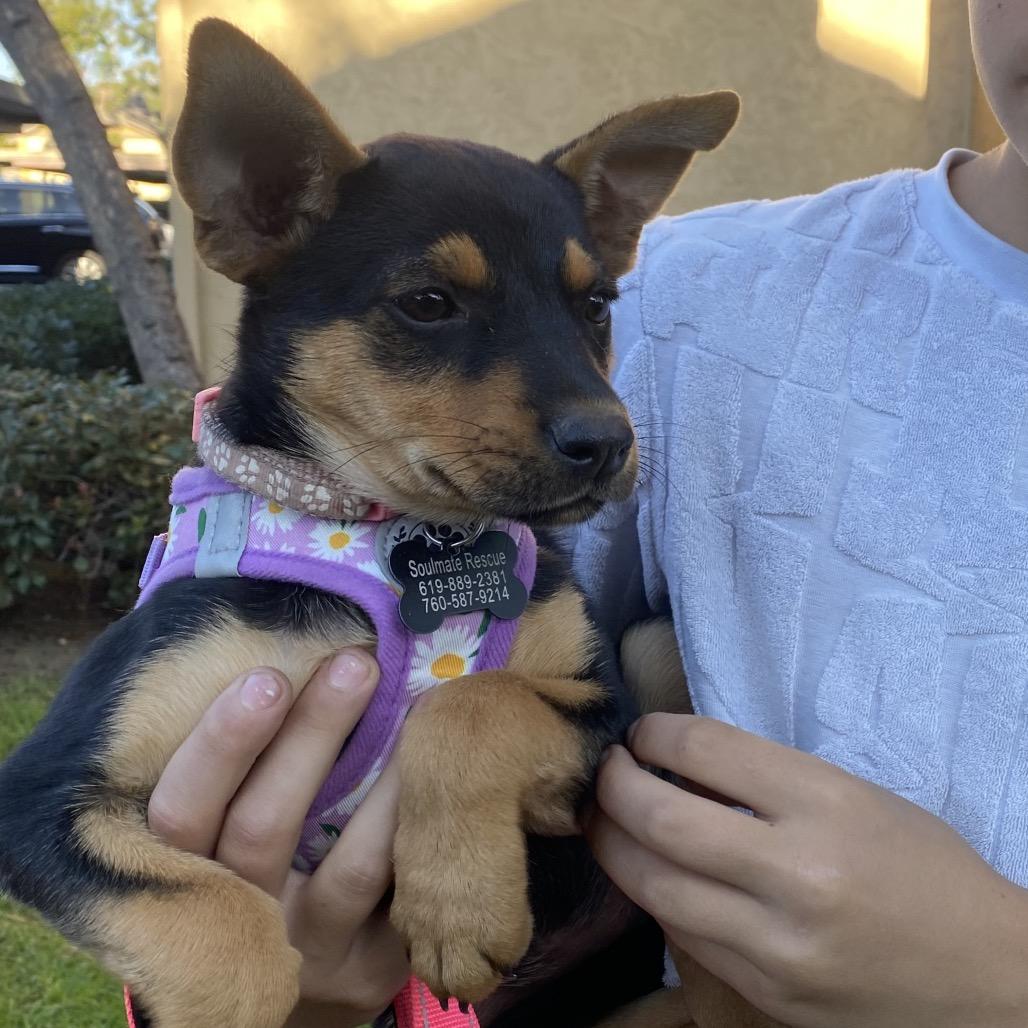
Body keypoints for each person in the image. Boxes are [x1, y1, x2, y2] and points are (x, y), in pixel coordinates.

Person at [146, 1, 1028, 1024]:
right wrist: (300, 991)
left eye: (589, 307)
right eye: (428, 305)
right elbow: (549, 715)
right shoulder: (694, 304)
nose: (592, 413)